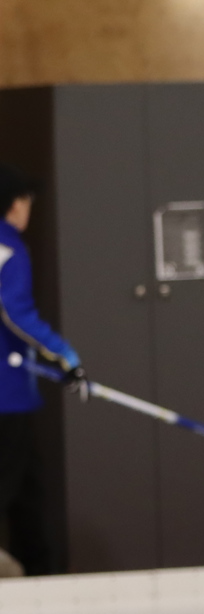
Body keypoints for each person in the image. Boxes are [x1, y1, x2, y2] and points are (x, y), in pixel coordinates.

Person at [0, 164, 83, 577]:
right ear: (15, 205)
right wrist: (64, 355)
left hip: (13, 390)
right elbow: (15, 311)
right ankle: (39, 571)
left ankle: (40, 574)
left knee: (28, 490)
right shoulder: (9, 248)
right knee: (13, 481)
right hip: (6, 394)